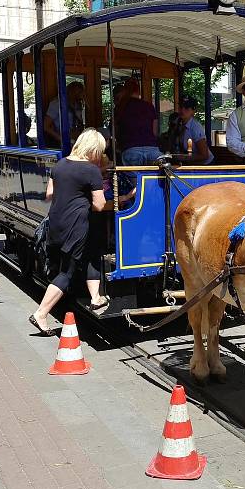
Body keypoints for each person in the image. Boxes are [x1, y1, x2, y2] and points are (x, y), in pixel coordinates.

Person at [29, 129, 109, 334]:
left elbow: (49, 194)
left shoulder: (60, 164)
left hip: (57, 223)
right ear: (93, 149)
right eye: (99, 151)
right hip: (76, 225)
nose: (99, 156)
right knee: (67, 272)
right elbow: (99, 205)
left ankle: (95, 298)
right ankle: (41, 313)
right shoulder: (91, 170)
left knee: (92, 254)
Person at [116, 78, 160, 166]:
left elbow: (116, 131)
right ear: (139, 91)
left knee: (134, 179)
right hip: (152, 150)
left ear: (125, 91)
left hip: (131, 150)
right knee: (153, 179)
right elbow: (155, 132)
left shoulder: (120, 107)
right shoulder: (149, 106)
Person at [44, 81, 85, 148]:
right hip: (62, 142)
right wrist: (62, 139)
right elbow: (46, 126)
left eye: (81, 91)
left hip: (77, 140)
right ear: (70, 91)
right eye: (77, 92)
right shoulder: (57, 104)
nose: (79, 94)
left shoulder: (77, 105)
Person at [178, 96, 214, 165]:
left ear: (193, 111)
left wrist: (183, 158)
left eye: (187, 108)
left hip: (206, 166)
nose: (182, 110)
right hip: (193, 164)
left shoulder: (195, 127)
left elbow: (204, 155)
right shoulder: (179, 124)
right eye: (180, 107)